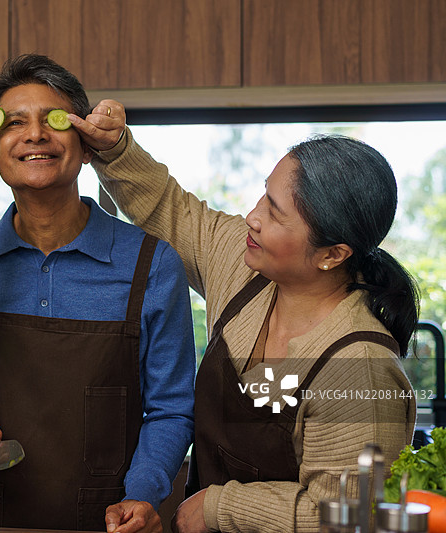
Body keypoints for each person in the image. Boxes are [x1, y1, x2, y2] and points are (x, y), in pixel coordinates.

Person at [69, 104, 418, 532]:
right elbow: (170, 208)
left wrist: (219, 507)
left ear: (333, 254)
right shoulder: (243, 266)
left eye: (275, 213)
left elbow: (351, 517)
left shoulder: (359, 369)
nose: (252, 218)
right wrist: (116, 148)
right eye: (262, 196)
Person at [0, 54, 196, 533]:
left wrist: (143, 493)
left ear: (87, 146)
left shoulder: (152, 264)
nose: (34, 135)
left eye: (52, 120)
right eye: (12, 124)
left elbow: (172, 407)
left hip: (113, 519)